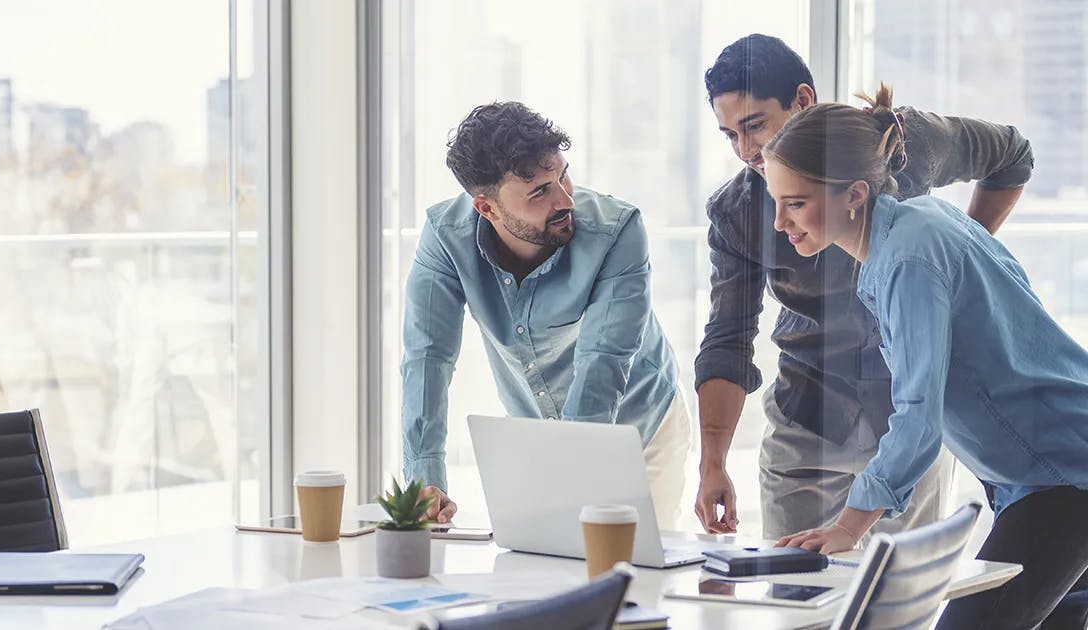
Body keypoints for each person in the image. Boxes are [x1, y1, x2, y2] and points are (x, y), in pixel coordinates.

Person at [767, 84, 1088, 629]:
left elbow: (918, 414)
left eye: (796, 202)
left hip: (1063, 475)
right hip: (1043, 469)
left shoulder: (908, 259)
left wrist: (850, 526)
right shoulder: (919, 225)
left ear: (855, 194)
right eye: (776, 201)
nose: (780, 222)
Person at [693, 34, 1034, 541]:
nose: (746, 152)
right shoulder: (737, 211)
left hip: (908, 418)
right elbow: (727, 339)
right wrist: (713, 463)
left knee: (896, 607)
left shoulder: (900, 143)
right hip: (808, 418)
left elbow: (1011, 155)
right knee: (795, 605)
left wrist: (962, 253)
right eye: (729, 136)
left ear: (803, 100)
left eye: (754, 126)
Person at [400, 101, 691, 529]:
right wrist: (426, 481)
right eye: (539, 191)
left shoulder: (617, 230)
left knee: (631, 574)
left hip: (639, 428)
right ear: (487, 208)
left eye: (562, 175)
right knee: (542, 576)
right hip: (540, 435)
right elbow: (427, 357)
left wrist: (567, 480)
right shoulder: (446, 238)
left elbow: (602, 361)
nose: (565, 198)